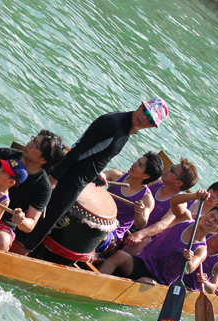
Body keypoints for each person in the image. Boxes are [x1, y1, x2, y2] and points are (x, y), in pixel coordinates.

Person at [19, 98, 170, 254]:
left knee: (44, 223)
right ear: (140, 105)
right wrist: (55, 177)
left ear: (152, 126)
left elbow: (93, 155)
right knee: (40, 226)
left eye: (150, 118)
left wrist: (94, 174)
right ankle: (15, 253)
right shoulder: (113, 123)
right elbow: (79, 149)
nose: (144, 117)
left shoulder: (125, 131)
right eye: (145, 111)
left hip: (78, 180)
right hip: (69, 179)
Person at [99, 191, 218, 285]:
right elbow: (174, 200)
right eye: (211, 215)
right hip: (142, 262)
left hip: (159, 280)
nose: (210, 220)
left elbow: (190, 268)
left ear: (217, 230)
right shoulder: (184, 218)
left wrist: (188, 260)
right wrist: (194, 196)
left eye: (216, 221)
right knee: (119, 255)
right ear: (206, 213)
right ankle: (95, 282)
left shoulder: (201, 250)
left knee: (144, 282)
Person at [122, 159, 198, 255]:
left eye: (172, 170)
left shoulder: (180, 204)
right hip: (131, 219)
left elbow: (162, 225)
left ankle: (115, 257)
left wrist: (140, 234)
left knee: (146, 240)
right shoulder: (156, 182)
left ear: (179, 183)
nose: (168, 170)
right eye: (171, 167)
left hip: (145, 234)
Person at [99, 152, 163, 250]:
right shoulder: (116, 175)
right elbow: (100, 175)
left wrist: (139, 213)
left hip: (113, 231)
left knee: (97, 234)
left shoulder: (147, 198)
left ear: (146, 176)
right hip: (98, 216)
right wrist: (99, 176)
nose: (134, 164)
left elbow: (141, 224)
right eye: (137, 161)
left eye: (140, 165)